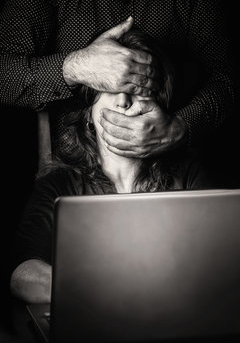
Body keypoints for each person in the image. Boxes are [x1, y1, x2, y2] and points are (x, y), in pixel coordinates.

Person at [10, 29, 212, 304]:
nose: (122, 101)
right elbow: (22, 275)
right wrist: (102, 293)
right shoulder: (60, 184)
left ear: (159, 108)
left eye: (137, 90)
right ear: (89, 116)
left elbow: (217, 263)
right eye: (109, 89)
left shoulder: (188, 175)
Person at [0, 0, 235, 160]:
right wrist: (75, 67)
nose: (123, 102)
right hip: (74, 170)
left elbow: (229, 74)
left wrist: (181, 127)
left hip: (175, 171)